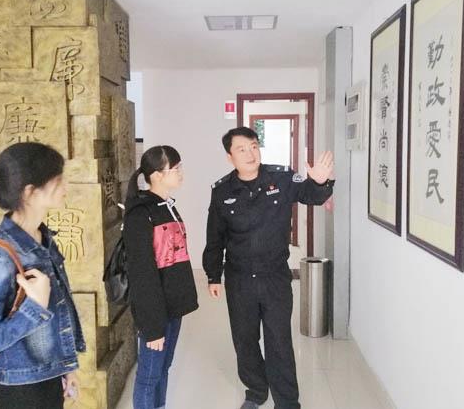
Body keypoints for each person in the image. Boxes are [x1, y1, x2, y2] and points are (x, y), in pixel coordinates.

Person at [203, 127, 335, 409]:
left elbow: (310, 195)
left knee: (279, 341)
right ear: (229, 157)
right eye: (241, 149)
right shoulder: (222, 191)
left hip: (275, 277)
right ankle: (256, 391)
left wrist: (320, 182)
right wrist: (213, 275)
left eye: (254, 146)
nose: (250, 153)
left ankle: (287, 402)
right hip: (239, 280)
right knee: (245, 340)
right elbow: (215, 236)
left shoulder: (281, 178)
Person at [0, 142, 85, 409]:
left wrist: (66, 367)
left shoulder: (41, 239)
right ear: (29, 192)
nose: (65, 187)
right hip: (20, 392)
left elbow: (58, 314)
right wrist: (33, 310)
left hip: (47, 379)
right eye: (58, 180)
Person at [123, 145, 199, 409]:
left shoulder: (167, 206)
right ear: (156, 175)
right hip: (155, 310)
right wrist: (152, 327)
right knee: (149, 376)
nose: (180, 173)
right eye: (175, 168)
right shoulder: (140, 213)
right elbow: (142, 275)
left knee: (163, 367)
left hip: (172, 304)